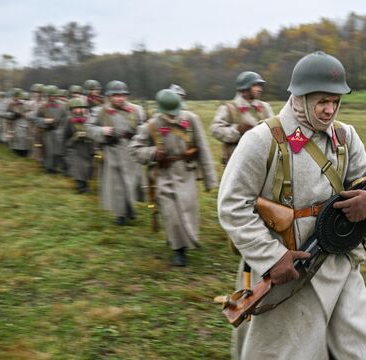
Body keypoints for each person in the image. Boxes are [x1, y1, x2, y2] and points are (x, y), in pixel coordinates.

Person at [217, 51, 366, 359]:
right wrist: (271, 257)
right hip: (290, 270)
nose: (329, 110)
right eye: (322, 101)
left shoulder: (345, 136)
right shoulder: (262, 140)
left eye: (335, 101)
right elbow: (232, 206)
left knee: (359, 350)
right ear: (300, 96)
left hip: (340, 262)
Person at [130, 89, 217, 266]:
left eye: (175, 112)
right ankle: (179, 250)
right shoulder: (151, 125)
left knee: (188, 210)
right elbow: (134, 149)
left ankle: (185, 240)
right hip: (164, 174)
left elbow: (204, 149)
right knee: (171, 214)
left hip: (187, 172)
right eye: (169, 114)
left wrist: (210, 179)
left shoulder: (191, 119)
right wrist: (152, 152)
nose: (173, 116)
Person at [87, 80, 145, 225]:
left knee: (131, 183)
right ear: (109, 96)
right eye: (116, 95)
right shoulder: (100, 111)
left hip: (131, 152)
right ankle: (121, 214)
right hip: (112, 152)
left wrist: (141, 137)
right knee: (117, 185)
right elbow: (88, 127)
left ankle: (130, 208)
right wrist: (101, 130)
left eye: (123, 95)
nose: (120, 98)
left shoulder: (137, 110)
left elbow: (144, 128)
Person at [211, 71, 275, 166]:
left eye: (260, 85)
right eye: (255, 85)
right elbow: (215, 130)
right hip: (235, 163)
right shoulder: (228, 108)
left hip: (262, 161)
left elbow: (275, 130)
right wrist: (237, 130)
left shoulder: (265, 107)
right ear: (244, 88)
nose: (259, 89)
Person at [64, 97, 95, 193]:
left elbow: (94, 132)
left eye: (82, 108)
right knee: (78, 167)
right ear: (72, 109)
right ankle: (80, 186)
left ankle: (85, 184)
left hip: (87, 147)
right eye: (76, 108)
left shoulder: (89, 119)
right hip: (75, 148)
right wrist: (74, 138)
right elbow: (66, 136)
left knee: (87, 167)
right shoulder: (69, 121)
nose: (79, 110)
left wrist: (88, 135)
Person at [34, 85, 68, 173]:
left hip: (59, 130)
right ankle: (49, 168)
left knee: (58, 151)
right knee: (49, 151)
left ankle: (58, 167)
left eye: (53, 95)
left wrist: (62, 128)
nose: (52, 97)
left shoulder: (62, 106)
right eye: (50, 96)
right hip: (47, 131)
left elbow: (66, 118)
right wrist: (45, 120)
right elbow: (36, 119)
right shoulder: (42, 106)